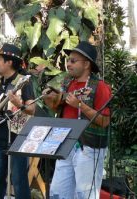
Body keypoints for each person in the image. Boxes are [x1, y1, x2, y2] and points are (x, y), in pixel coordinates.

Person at [43, 41, 111, 199]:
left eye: (73, 61)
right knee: (58, 193)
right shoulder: (67, 83)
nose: (68, 64)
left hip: (89, 147)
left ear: (86, 64)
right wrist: (50, 100)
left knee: (84, 194)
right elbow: (59, 110)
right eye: (68, 60)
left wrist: (80, 105)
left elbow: (104, 121)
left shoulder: (100, 87)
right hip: (65, 142)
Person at [0, 43, 35, 199]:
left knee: (18, 180)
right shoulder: (0, 81)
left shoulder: (24, 81)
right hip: (0, 137)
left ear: (9, 62)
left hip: (18, 138)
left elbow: (31, 109)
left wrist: (20, 104)